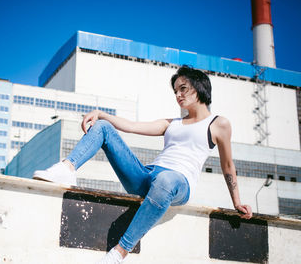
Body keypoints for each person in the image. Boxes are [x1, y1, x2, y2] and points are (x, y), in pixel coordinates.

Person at [33, 66, 253, 263]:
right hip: (147, 176)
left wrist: (237, 202)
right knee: (103, 127)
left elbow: (227, 166)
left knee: (166, 180)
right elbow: (131, 126)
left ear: (199, 87)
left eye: (183, 88)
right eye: (175, 91)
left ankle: (119, 252)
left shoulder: (219, 124)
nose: (178, 95)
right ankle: (67, 168)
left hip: (178, 183)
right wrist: (101, 114)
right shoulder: (171, 123)